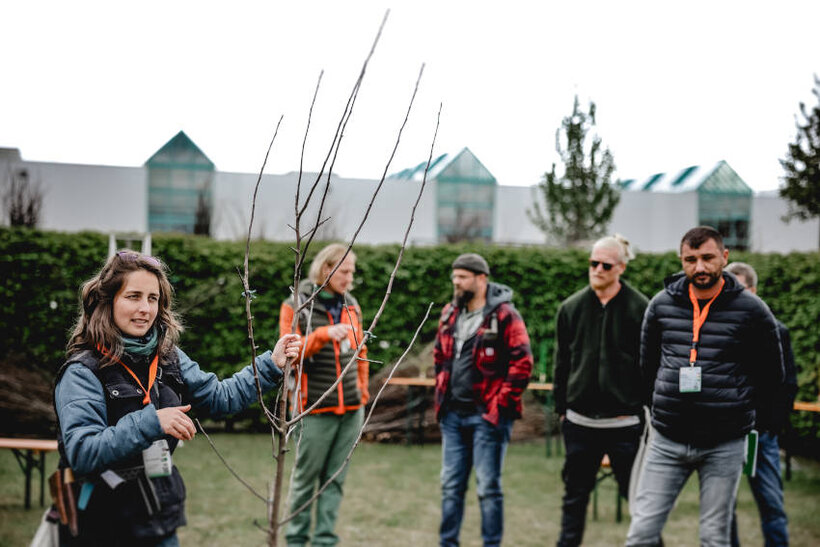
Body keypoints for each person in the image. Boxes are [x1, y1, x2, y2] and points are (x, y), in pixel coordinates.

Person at [54, 249, 301, 546]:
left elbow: (221, 398)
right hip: (102, 525)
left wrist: (270, 365)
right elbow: (83, 452)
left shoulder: (169, 357)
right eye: (133, 296)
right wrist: (152, 421)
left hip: (157, 521)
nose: (145, 308)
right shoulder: (83, 371)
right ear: (108, 302)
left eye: (152, 298)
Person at [626, 226, 784, 546]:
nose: (699, 267)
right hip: (667, 440)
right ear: (681, 260)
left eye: (708, 258)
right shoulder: (661, 305)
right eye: (691, 259)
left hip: (724, 444)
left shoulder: (752, 310)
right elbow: (646, 368)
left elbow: (772, 375)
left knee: (714, 537)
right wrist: (660, 409)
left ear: (724, 257)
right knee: (641, 532)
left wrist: (746, 417)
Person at [553, 235, 649, 547]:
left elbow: (651, 367)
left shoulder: (641, 309)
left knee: (639, 501)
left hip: (625, 425)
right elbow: (562, 362)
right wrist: (562, 409)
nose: (597, 269)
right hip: (580, 424)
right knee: (574, 499)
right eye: (593, 263)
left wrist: (644, 411)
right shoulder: (571, 307)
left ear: (621, 267)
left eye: (605, 265)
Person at [433, 253, 533, 547]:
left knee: (488, 488)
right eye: (454, 277)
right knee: (451, 486)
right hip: (452, 415)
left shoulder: (505, 315)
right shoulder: (449, 313)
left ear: (481, 279)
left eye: (462, 277)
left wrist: (499, 406)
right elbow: (439, 355)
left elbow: (523, 363)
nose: (456, 283)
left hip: (488, 416)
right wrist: (442, 390)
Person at [278, 243, 369, 547]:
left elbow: (361, 351)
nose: (349, 277)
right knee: (305, 482)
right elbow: (288, 353)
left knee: (335, 481)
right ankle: (295, 540)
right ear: (326, 268)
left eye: (352, 271)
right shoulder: (296, 304)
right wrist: (321, 336)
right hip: (313, 410)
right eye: (344, 270)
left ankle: (324, 541)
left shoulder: (351, 305)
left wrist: (363, 394)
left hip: (351, 411)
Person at [726, 262, 797, 547]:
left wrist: (771, 426)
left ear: (753, 291)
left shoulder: (777, 331)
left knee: (771, 504)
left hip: (762, 435)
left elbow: (788, 385)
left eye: (739, 289)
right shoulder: (716, 330)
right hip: (725, 435)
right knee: (722, 509)